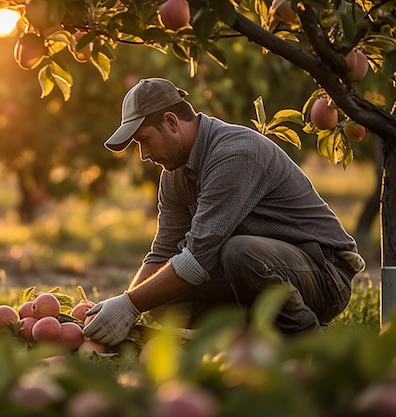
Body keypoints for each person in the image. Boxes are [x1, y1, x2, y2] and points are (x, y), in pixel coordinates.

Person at [82, 77, 366, 345]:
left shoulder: (233, 154)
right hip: (267, 270)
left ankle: (308, 344)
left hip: (324, 273)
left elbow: (197, 259)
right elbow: (162, 254)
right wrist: (126, 303)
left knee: (240, 252)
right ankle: (250, 337)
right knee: (161, 297)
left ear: (170, 122)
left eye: (144, 140)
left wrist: (130, 306)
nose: (144, 154)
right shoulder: (174, 174)